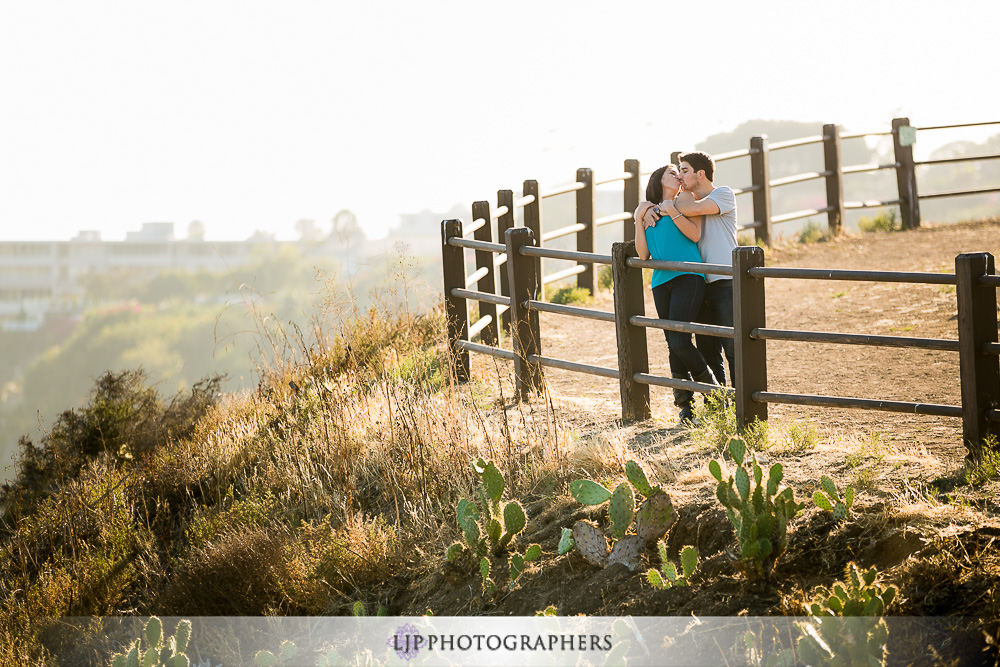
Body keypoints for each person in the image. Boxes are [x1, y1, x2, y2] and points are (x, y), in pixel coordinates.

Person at [643, 151, 737, 386]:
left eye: (684, 171)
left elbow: (694, 210)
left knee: (733, 348)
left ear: (701, 174)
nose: (681, 176)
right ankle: (718, 406)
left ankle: (743, 409)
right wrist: (645, 211)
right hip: (700, 283)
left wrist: (660, 209)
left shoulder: (722, 194)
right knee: (708, 349)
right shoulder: (683, 200)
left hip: (725, 280)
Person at [634, 164, 719, 425]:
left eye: (679, 172)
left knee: (680, 341)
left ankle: (715, 393)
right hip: (660, 282)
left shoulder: (685, 200)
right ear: (659, 180)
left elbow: (695, 235)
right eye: (672, 173)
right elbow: (643, 254)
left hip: (688, 277)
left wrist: (670, 211)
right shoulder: (648, 210)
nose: (678, 176)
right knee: (674, 344)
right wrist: (639, 217)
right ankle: (685, 408)